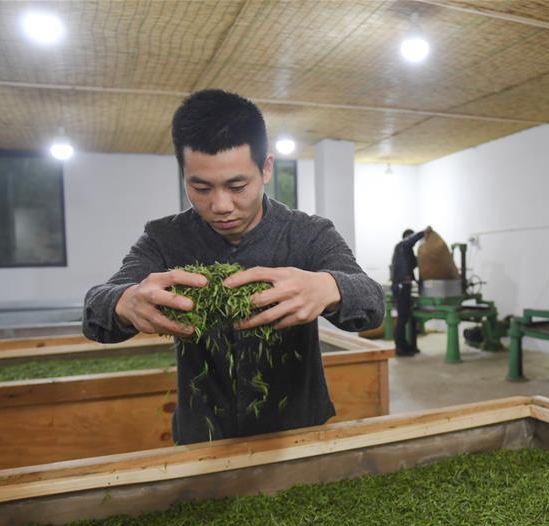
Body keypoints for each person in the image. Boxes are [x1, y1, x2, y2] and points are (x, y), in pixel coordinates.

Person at [83, 89, 384, 445]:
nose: (221, 205)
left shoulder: (307, 234)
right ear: (184, 173)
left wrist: (329, 287)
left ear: (266, 168)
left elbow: (373, 303)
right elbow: (95, 312)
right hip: (204, 437)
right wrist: (125, 302)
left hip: (298, 434)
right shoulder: (165, 239)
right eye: (201, 187)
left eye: (237, 186)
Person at [390, 227, 427, 356]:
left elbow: (413, 264)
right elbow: (410, 241)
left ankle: (408, 345)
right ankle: (400, 348)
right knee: (402, 318)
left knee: (406, 317)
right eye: (411, 237)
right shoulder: (402, 246)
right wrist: (424, 232)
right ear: (407, 238)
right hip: (401, 286)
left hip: (405, 286)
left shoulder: (407, 251)